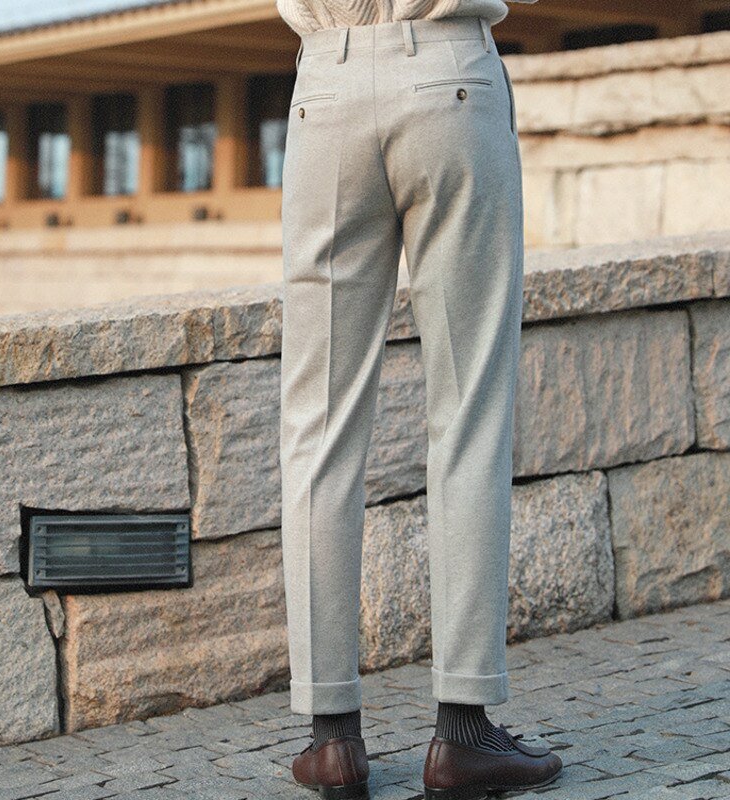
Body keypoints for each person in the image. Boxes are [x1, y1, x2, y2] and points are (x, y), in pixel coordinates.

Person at [277, 1, 564, 797]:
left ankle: (331, 741)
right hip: (450, 78)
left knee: (317, 428)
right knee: (469, 414)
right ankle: (463, 735)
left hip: (326, 90)